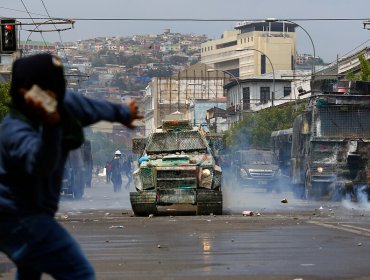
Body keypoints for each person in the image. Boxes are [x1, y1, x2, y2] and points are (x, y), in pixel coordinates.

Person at [0, 53, 142, 280]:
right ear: (25, 94)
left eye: (56, 90)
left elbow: (92, 107)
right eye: (44, 92)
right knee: (79, 272)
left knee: (29, 270)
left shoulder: (62, 102)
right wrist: (51, 125)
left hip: (36, 211)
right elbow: (41, 163)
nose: (52, 97)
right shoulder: (15, 130)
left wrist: (124, 113)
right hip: (16, 217)